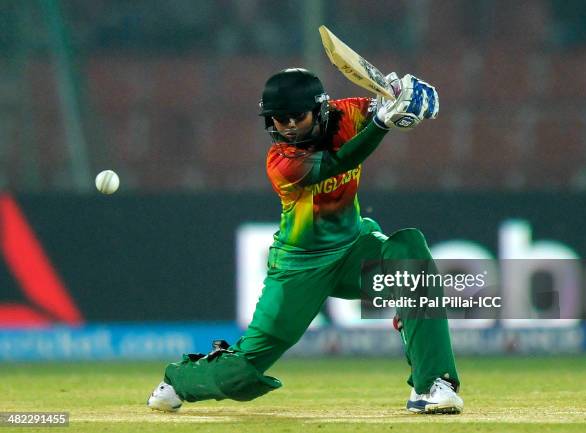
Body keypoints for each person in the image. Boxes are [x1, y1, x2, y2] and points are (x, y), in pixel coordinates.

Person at [147, 68, 463, 414]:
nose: (289, 125)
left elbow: (389, 107)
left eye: (298, 116)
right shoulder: (281, 162)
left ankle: (433, 384)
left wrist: (412, 98)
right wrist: (385, 123)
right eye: (279, 119)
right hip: (300, 267)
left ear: (320, 109)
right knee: (239, 374)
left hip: (354, 248)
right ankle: (180, 379)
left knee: (410, 252)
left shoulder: (350, 113)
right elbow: (340, 161)